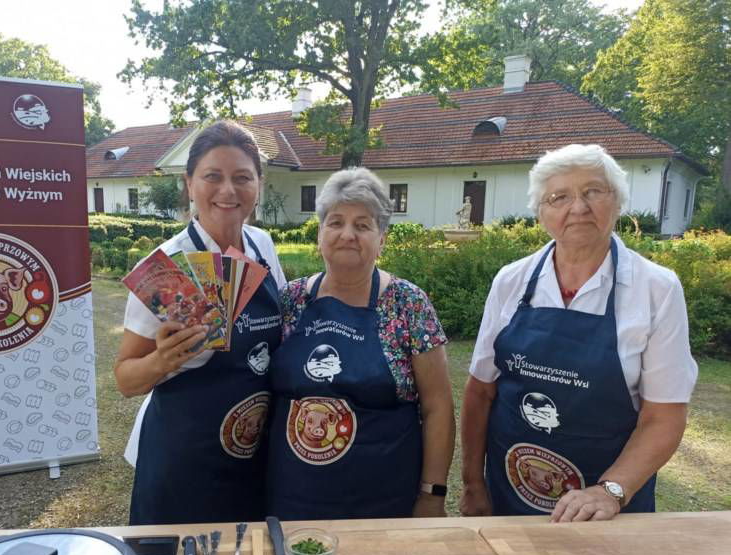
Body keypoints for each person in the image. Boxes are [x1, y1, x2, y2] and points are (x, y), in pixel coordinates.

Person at [459, 144, 697, 522]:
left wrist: (610, 491)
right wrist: (473, 484)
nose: (579, 207)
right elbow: (480, 391)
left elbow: (664, 416)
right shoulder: (512, 281)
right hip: (510, 495)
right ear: (541, 213)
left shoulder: (656, 290)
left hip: (605, 511)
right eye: (560, 197)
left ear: (617, 202)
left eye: (593, 192)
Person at [115, 121, 286, 525]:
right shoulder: (165, 269)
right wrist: (162, 361)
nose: (228, 190)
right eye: (213, 176)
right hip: (183, 462)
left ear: (258, 185)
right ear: (190, 183)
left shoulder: (263, 246)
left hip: (254, 454)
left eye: (242, 177)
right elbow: (125, 379)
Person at [265, 167, 456, 520]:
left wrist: (432, 495)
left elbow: (438, 406)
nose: (347, 234)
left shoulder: (407, 303)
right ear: (320, 234)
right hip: (291, 498)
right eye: (335, 222)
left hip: (383, 502)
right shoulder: (290, 300)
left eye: (363, 225)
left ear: (381, 239)